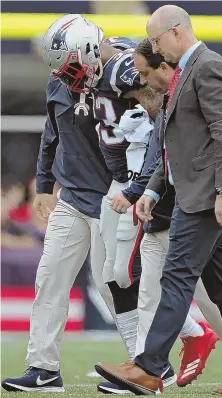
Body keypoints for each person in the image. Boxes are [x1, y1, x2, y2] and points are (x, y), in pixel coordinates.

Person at [94, 5, 222, 395]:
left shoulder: (209, 66)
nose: (155, 48)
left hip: (207, 195)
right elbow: (173, 144)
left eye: (155, 40)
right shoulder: (187, 71)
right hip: (195, 191)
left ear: (174, 32)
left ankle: (150, 367)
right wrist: (154, 189)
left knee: (175, 277)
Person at [1, 19, 136, 393]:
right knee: (49, 279)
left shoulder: (123, 75)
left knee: (113, 286)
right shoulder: (59, 81)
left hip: (114, 199)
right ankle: (42, 368)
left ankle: (146, 364)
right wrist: (44, 185)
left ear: (92, 52)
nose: (67, 78)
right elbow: (51, 133)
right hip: (72, 198)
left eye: (72, 69)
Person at [109, 37, 222, 388]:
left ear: (163, 68)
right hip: (178, 203)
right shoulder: (170, 96)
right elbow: (167, 156)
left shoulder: (203, 75)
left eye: (143, 76)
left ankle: (152, 366)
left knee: (180, 285)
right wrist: (149, 190)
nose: (140, 86)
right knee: (220, 290)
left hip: (198, 202)